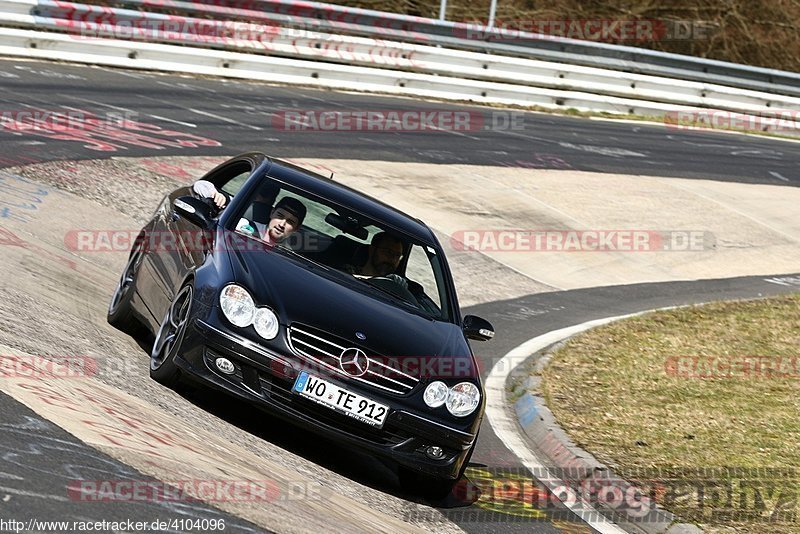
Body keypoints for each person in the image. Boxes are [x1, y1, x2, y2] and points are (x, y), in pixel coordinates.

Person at [193, 180, 306, 244]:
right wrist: (215, 194)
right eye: (279, 216)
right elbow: (200, 185)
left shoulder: (296, 251)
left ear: (297, 228)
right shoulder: (244, 226)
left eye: (290, 222)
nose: (282, 224)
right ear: (272, 213)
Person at [343, 232, 408, 289]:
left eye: (397, 255)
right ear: (372, 250)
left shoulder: (397, 286)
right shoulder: (347, 273)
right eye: (388, 252)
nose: (393, 259)